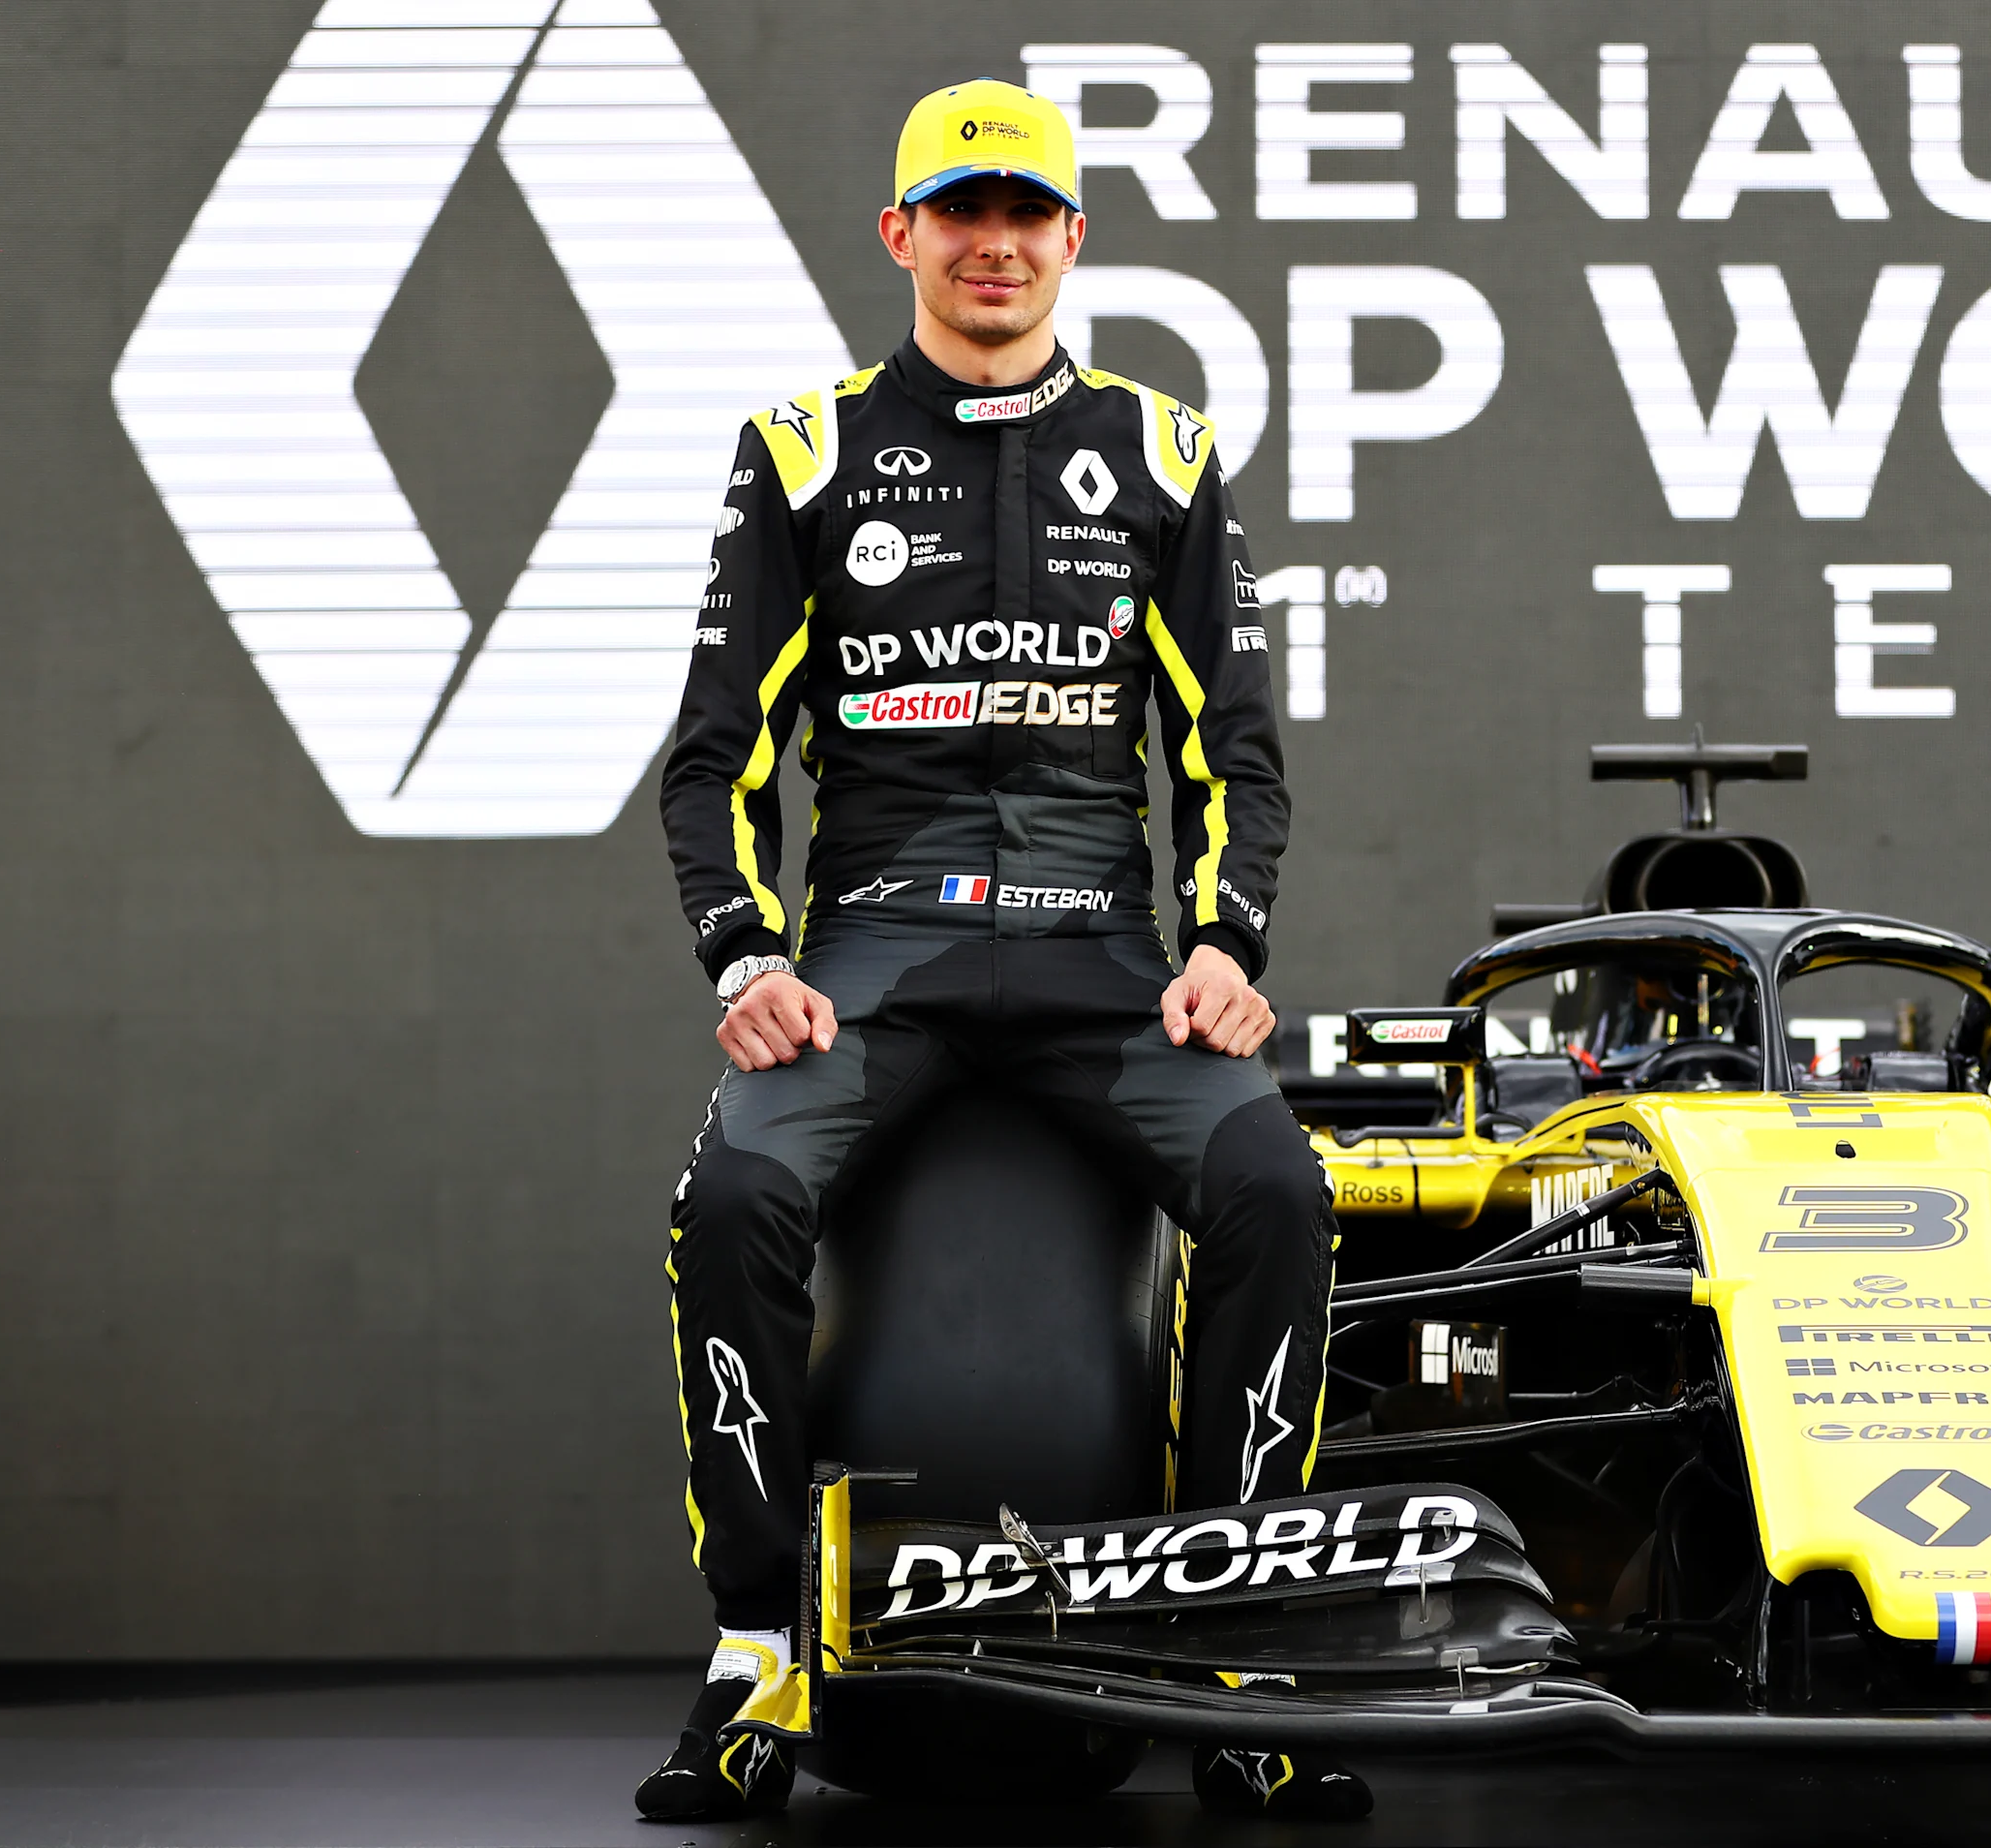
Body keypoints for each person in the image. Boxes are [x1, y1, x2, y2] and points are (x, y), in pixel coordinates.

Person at [632, 80, 1367, 1824]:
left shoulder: (1162, 449)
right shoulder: (803, 448)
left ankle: (1236, 1654)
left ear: (1072, 239)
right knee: (724, 1207)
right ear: (901, 232)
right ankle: (759, 1649)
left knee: (1283, 1194)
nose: (995, 244)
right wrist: (747, 963)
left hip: (1104, 963)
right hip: (874, 963)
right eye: (961, 211)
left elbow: (1235, 756)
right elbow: (715, 759)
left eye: (1026, 213)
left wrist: (1224, 942)